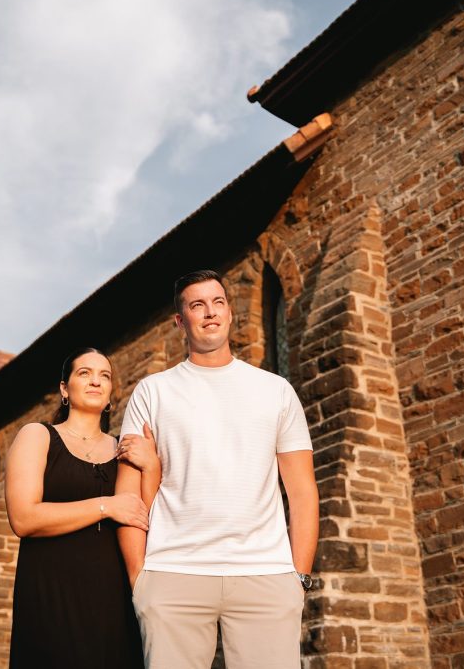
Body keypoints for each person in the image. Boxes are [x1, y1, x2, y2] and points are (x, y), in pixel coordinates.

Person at [115, 270, 319, 669]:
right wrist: (141, 580)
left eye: (218, 302)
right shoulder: (153, 392)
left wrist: (299, 578)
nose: (210, 312)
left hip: (265, 575)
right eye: (197, 305)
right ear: (181, 321)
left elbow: (302, 491)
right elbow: (128, 495)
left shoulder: (275, 391)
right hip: (174, 574)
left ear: (229, 313)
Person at [6, 347, 160, 668]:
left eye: (104, 376)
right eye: (84, 373)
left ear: (110, 394)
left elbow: (146, 515)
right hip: (52, 598)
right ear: (65, 389)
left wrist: (152, 466)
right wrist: (106, 506)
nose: (95, 381)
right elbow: (23, 518)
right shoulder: (39, 436)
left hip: (115, 602)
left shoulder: (124, 448)